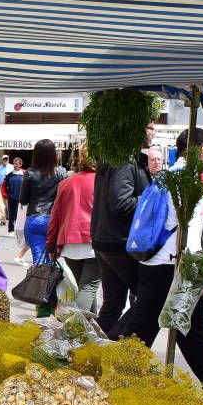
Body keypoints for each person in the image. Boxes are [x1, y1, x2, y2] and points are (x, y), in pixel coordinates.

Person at [112, 128, 203, 399]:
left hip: (154, 263)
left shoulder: (166, 176)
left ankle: (119, 375)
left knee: (147, 326)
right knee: (190, 330)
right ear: (200, 149)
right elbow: (189, 232)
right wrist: (199, 272)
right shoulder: (190, 180)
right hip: (177, 265)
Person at [91, 134, 150, 334]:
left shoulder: (113, 157)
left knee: (113, 304)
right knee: (148, 299)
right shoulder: (124, 159)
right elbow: (121, 203)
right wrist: (150, 198)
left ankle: (95, 346)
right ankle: (116, 342)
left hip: (107, 239)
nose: (153, 131)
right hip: (120, 242)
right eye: (150, 127)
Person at [46, 147, 99, 314]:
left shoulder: (66, 183)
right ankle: (75, 325)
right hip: (94, 240)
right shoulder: (102, 181)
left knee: (85, 287)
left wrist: (51, 245)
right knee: (88, 287)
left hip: (69, 242)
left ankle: (91, 326)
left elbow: (55, 216)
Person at [18, 139, 67, 269]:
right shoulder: (62, 172)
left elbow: (23, 200)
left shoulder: (29, 172)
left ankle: (39, 281)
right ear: (53, 154)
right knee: (52, 260)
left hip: (34, 219)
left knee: (38, 260)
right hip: (54, 220)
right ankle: (50, 281)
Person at [4, 157, 26, 245]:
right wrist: (7, 195)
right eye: (14, 163)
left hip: (22, 198)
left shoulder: (25, 174)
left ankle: (21, 230)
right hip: (12, 197)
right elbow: (5, 186)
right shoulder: (9, 175)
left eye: (16, 164)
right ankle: (11, 230)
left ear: (21, 164)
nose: (14, 165)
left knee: (22, 214)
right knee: (12, 214)